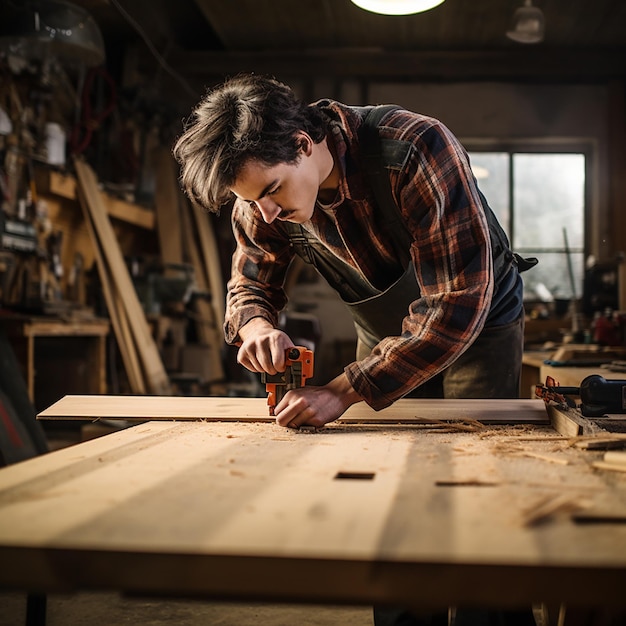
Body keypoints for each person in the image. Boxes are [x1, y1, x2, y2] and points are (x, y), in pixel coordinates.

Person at [174, 73, 537, 626]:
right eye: (249, 201)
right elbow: (249, 285)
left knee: (474, 481)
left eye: (270, 192)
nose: (263, 212)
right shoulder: (262, 193)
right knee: (391, 484)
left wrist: (345, 389)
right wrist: (255, 327)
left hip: (476, 322)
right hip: (387, 328)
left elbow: (456, 304)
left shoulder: (414, 148)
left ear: (303, 142)